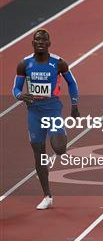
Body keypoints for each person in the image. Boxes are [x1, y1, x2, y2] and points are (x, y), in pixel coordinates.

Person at [12, 29, 80, 209]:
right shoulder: (24, 64)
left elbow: (71, 83)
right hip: (34, 113)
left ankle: (60, 133)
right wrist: (20, 96)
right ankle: (47, 196)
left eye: (44, 40)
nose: (40, 42)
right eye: (37, 40)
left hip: (52, 110)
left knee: (58, 148)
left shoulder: (58, 63)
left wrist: (74, 105)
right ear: (33, 43)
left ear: (49, 43)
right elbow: (16, 88)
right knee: (39, 153)